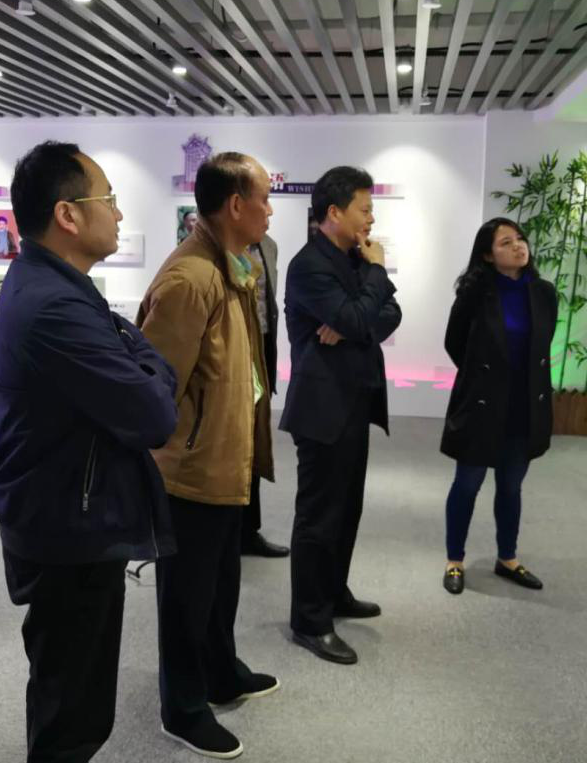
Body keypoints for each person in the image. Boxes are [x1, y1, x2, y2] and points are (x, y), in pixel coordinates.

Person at [0, 141, 178, 763]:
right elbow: (155, 414)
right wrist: (148, 364)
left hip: (70, 511)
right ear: (68, 215)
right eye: (109, 199)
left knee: (75, 694)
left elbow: (137, 352)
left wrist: (140, 357)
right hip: (67, 527)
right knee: (71, 709)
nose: (118, 213)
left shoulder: (59, 286)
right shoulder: (53, 305)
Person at [139, 152, 279, 760]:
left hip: (226, 459)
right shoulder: (190, 279)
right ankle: (183, 706)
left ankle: (221, 673)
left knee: (221, 583)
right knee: (187, 596)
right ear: (235, 206)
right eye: (264, 198)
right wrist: (180, 452)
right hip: (192, 471)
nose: (270, 210)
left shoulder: (231, 266)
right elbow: (155, 392)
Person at [280, 166, 401, 666]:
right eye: (364, 210)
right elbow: (358, 314)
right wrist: (371, 284)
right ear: (334, 212)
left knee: (348, 507)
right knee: (319, 516)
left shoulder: (352, 259)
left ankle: (334, 591)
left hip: (354, 401)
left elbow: (390, 314)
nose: (371, 220)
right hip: (322, 408)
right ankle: (309, 620)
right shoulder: (309, 265)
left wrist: (352, 321)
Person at [440, 217, 558, 595]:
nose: (518, 246)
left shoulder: (543, 292)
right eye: (506, 242)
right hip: (482, 403)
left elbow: (542, 344)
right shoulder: (474, 294)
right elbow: (455, 343)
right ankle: (455, 560)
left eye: (520, 239)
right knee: (467, 484)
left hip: (524, 405)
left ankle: (507, 558)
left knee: (511, 486)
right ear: (488, 255)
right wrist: (483, 377)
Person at [241, 233, 290, 558]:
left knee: (254, 442)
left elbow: (269, 309)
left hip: (261, 354)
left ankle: (247, 531)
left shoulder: (269, 246)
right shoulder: (217, 245)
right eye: (262, 207)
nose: (269, 211)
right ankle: (230, 530)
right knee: (234, 445)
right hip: (232, 354)